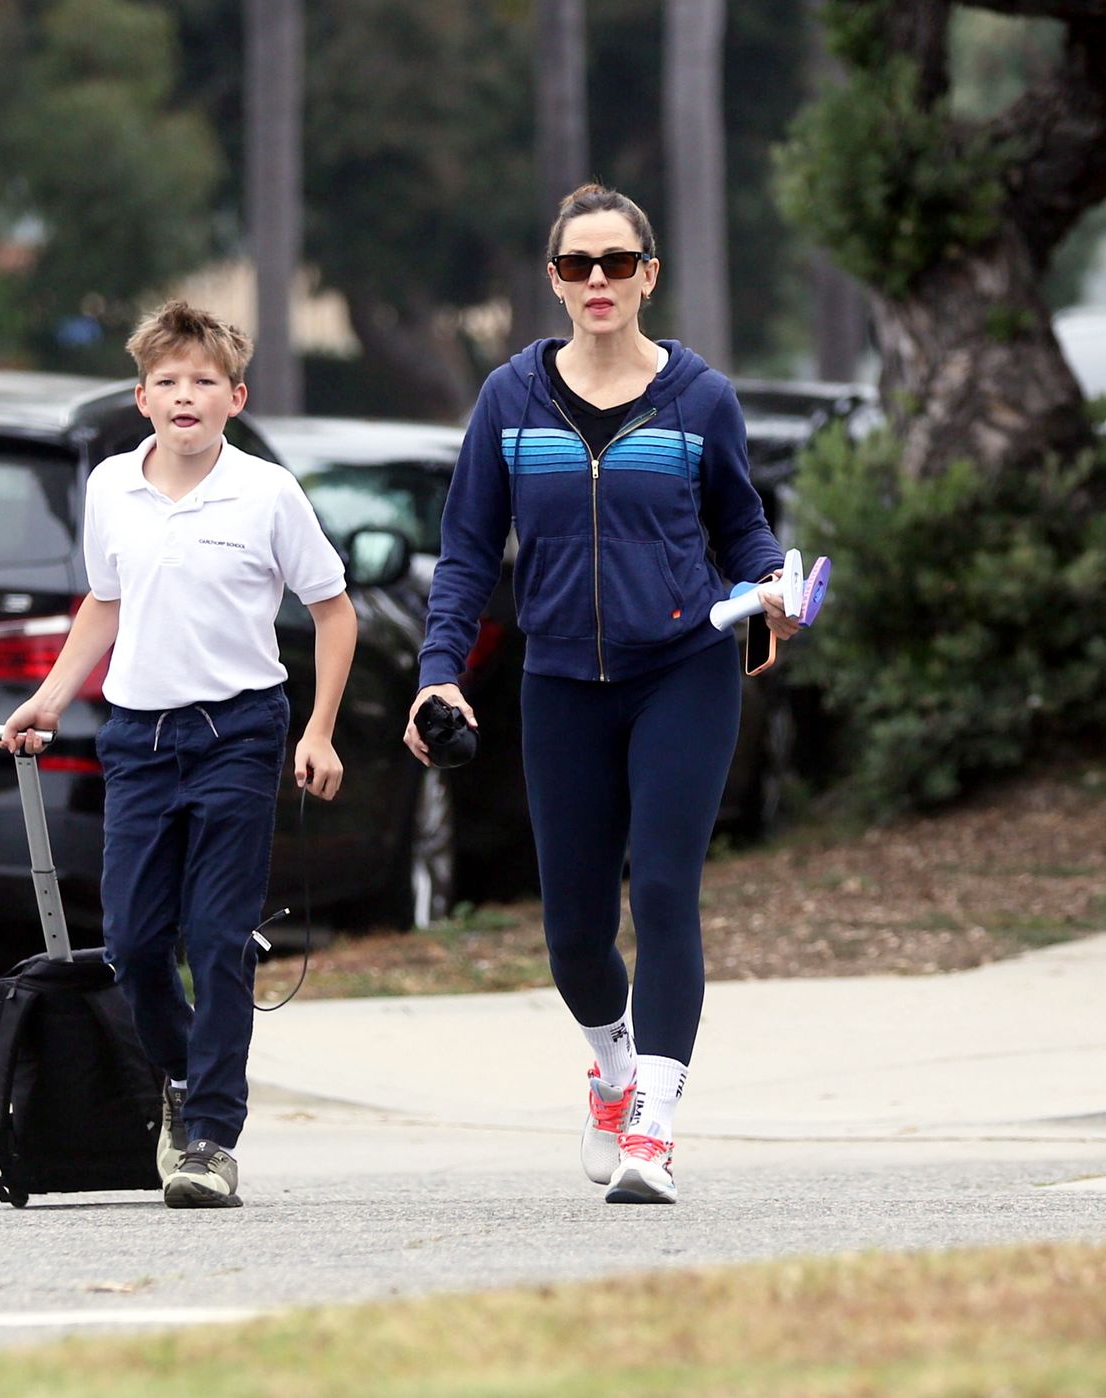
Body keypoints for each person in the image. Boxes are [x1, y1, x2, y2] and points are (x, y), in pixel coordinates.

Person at [404, 184, 799, 1205]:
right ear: (552, 281)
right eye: (576, 265)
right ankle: (614, 1076)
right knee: (574, 930)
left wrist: (772, 586)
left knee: (662, 892)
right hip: (558, 682)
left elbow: (741, 527)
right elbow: (461, 553)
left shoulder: (699, 398)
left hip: (682, 670)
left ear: (646, 277)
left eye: (614, 264)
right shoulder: (509, 400)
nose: (595, 282)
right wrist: (436, 672)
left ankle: (654, 1132)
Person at [0, 300, 357, 1209]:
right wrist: (47, 698)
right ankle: (183, 1074)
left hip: (238, 730)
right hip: (138, 736)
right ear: (142, 397)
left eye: (204, 381)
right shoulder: (111, 487)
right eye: (167, 381)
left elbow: (332, 610)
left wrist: (316, 731)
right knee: (132, 942)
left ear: (234, 397)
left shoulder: (268, 493)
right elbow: (104, 604)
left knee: (217, 935)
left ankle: (210, 1139)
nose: (184, 395)